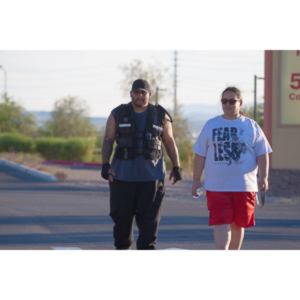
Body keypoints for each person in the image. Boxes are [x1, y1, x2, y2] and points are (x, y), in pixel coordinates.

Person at [101, 79, 183, 250]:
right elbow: (108, 140)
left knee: (149, 223)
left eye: (143, 93)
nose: (140, 95)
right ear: (131, 93)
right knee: (122, 221)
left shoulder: (161, 115)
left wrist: (176, 167)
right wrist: (105, 165)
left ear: (149, 94)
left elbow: (169, 141)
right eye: (136, 92)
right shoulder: (117, 113)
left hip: (152, 179)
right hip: (122, 177)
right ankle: (123, 248)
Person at [192, 86, 272, 250]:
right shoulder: (211, 125)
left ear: (240, 103)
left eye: (231, 101)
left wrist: (263, 177)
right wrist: (195, 180)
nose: (227, 104)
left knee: (238, 224)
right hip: (217, 186)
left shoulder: (251, 126)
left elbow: (263, 153)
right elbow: (200, 154)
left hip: (244, 186)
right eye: (224, 101)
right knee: (221, 222)